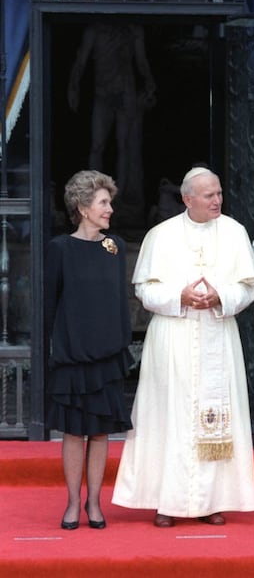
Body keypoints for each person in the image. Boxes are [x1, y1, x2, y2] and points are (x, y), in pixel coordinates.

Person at [112, 166, 254, 527]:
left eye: (219, 193)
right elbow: (144, 290)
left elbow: (249, 286)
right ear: (187, 198)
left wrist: (221, 296)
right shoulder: (160, 235)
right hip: (172, 339)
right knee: (170, 417)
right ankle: (168, 501)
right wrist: (178, 296)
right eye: (209, 195)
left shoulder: (234, 232)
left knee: (214, 417)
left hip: (217, 332)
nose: (217, 201)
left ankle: (213, 501)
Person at [45, 170, 133, 530]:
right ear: (83, 208)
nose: (109, 209)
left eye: (109, 202)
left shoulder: (116, 246)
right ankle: (71, 504)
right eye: (103, 203)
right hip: (72, 355)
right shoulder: (60, 249)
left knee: (100, 432)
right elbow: (50, 304)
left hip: (107, 355)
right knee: (72, 432)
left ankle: (94, 503)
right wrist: (56, 349)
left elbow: (119, 302)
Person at [67, 22, 156, 217]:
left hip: (125, 92)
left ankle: (120, 198)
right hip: (103, 92)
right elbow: (81, 60)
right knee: (98, 145)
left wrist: (149, 83)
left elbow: (141, 61)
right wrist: (73, 86)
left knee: (124, 146)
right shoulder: (95, 29)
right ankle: (92, 193)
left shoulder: (132, 29)